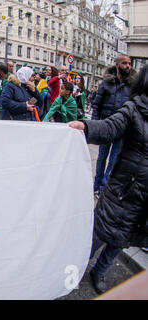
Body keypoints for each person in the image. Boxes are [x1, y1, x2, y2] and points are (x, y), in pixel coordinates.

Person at [67, 64, 148, 294]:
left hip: (144, 201)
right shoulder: (134, 108)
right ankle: (77, 267)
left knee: (123, 240)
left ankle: (99, 272)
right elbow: (110, 126)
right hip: (123, 192)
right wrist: (86, 126)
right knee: (99, 234)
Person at [91, 54, 137, 196]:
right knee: (101, 157)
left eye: (129, 63)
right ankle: (97, 183)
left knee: (114, 159)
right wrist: (95, 125)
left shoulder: (132, 86)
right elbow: (97, 105)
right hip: (105, 126)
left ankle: (104, 186)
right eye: (124, 63)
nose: (128, 66)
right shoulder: (106, 83)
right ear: (117, 64)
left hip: (121, 129)